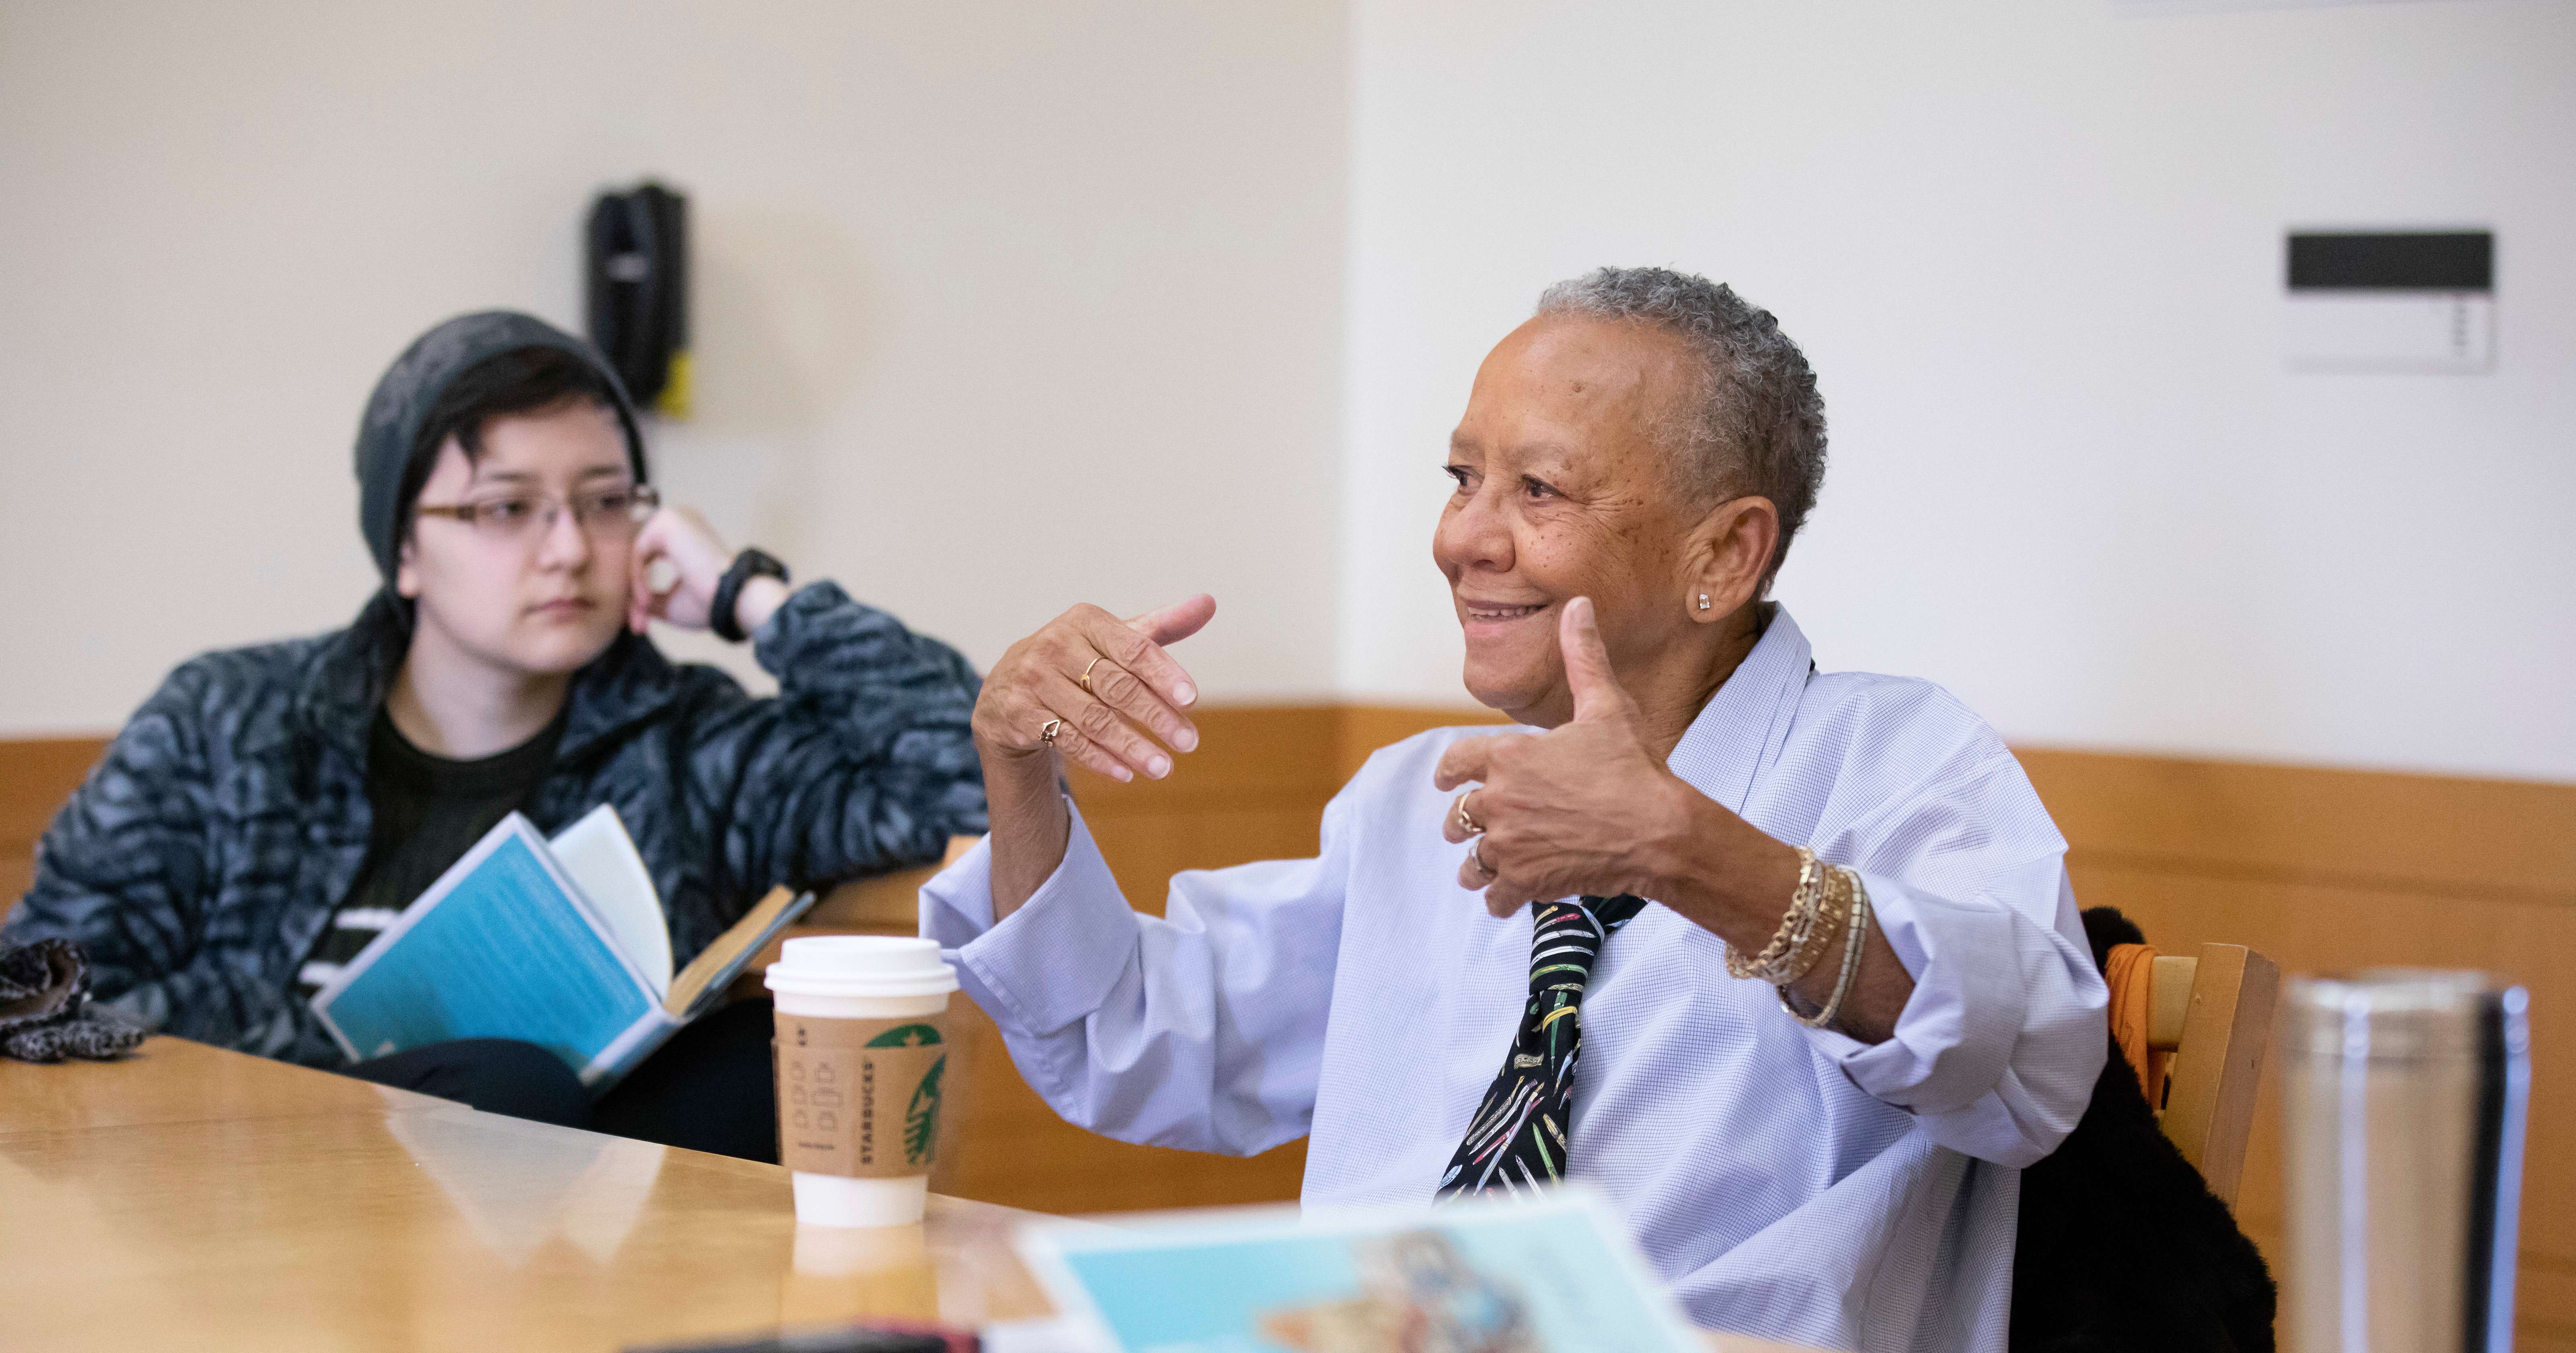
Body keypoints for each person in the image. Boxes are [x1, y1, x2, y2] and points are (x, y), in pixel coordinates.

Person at [925, 268, 2106, 1349]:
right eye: (1460, 479)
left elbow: (2029, 1054)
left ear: (1727, 554)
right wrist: (1017, 769)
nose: (1461, 540)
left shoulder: (1893, 760)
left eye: (1536, 489)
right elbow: (1141, 1036)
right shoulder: (1424, 791)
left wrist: (1679, 847)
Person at [3, 312, 986, 1160]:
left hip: (580, 1216)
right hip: (261, 1175)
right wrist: (318, 1054)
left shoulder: (688, 742)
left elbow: (973, 774)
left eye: (605, 503)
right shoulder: (228, 721)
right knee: (505, 1088)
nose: (567, 549)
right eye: (505, 508)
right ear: (403, 548)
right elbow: (41, 999)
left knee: (747, 1059)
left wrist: (747, 595)